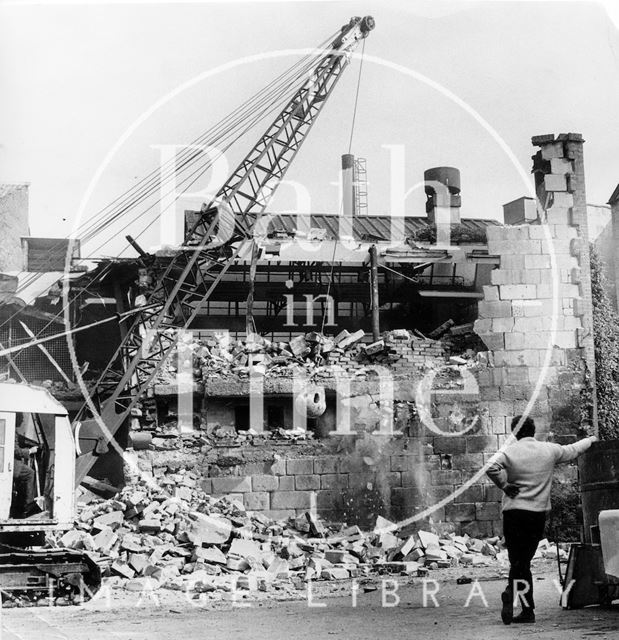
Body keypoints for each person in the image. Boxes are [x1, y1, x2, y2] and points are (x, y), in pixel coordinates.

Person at [486, 415, 597, 625]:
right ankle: (525, 609)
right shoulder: (549, 450)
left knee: (517, 561)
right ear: (533, 430)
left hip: (513, 513)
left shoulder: (508, 451)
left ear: (514, 432)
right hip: (536, 515)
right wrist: (590, 440)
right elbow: (573, 449)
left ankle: (519, 600)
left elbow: (490, 467)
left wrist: (505, 485)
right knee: (524, 561)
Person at [12, 413, 39, 518]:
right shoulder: (11, 431)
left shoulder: (12, 430)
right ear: (16, 418)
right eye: (21, 418)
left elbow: (19, 441)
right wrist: (30, 451)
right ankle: (29, 507)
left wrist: (31, 444)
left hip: (11, 463)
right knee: (29, 473)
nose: (23, 421)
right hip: (10, 465)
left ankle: (20, 506)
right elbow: (15, 450)